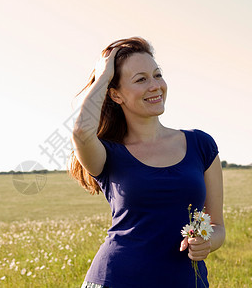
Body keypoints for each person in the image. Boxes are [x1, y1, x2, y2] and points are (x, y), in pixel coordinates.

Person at [68, 37, 225, 287]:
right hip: (114, 279)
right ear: (115, 94)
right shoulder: (108, 154)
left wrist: (207, 242)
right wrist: (104, 75)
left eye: (157, 75)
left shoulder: (201, 145)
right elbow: (80, 132)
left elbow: (217, 225)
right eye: (141, 79)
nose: (155, 86)